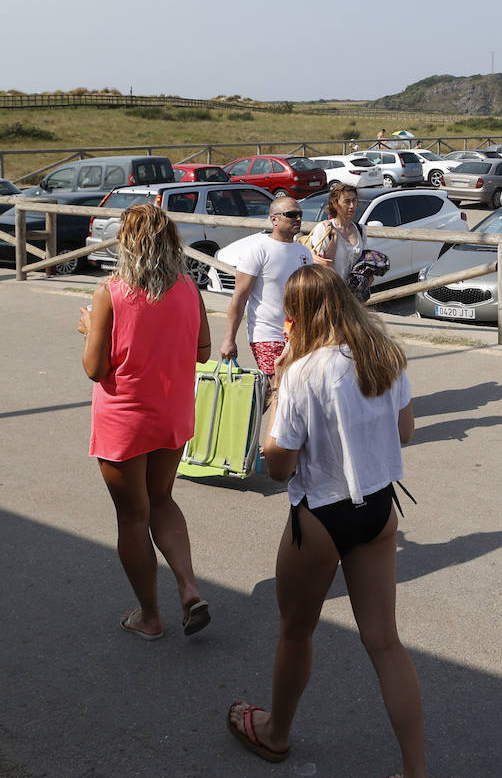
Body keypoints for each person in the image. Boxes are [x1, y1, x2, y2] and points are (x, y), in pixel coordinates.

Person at [226, 265, 426, 776]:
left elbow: (278, 467)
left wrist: (277, 398)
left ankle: (276, 733)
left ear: (297, 316)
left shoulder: (302, 372)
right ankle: (415, 769)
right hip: (379, 506)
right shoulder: (386, 356)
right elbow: (404, 433)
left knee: (296, 632)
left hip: (320, 511)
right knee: (385, 642)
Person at [79, 203, 213, 640]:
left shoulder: (110, 293)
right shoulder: (189, 288)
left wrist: (89, 329)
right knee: (162, 498)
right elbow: (203, 351)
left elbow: (96, 368)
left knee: (133, 517)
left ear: (126, 244)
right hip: (171, 413)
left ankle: (150, 617)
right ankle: (188, 586)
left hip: (125, 418)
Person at [220, 197, 312, 380]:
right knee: (276, 389)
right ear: (274, 219)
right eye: (291, 214)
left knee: (288, 394)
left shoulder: (304, 252)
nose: (298, 219)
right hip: (267, 335)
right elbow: (239, 297)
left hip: (299, 335)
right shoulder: (258, 251)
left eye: (300, 214)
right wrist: (229, 338)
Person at [307, 185, 366, 282]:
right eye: (347, 202)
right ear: (335, 204)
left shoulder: (360, 229)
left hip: (355, 294)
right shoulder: (323, 229)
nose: (352, 206)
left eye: (354, 201)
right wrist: (334, 236)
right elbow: (323, 265)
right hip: (332, 291)